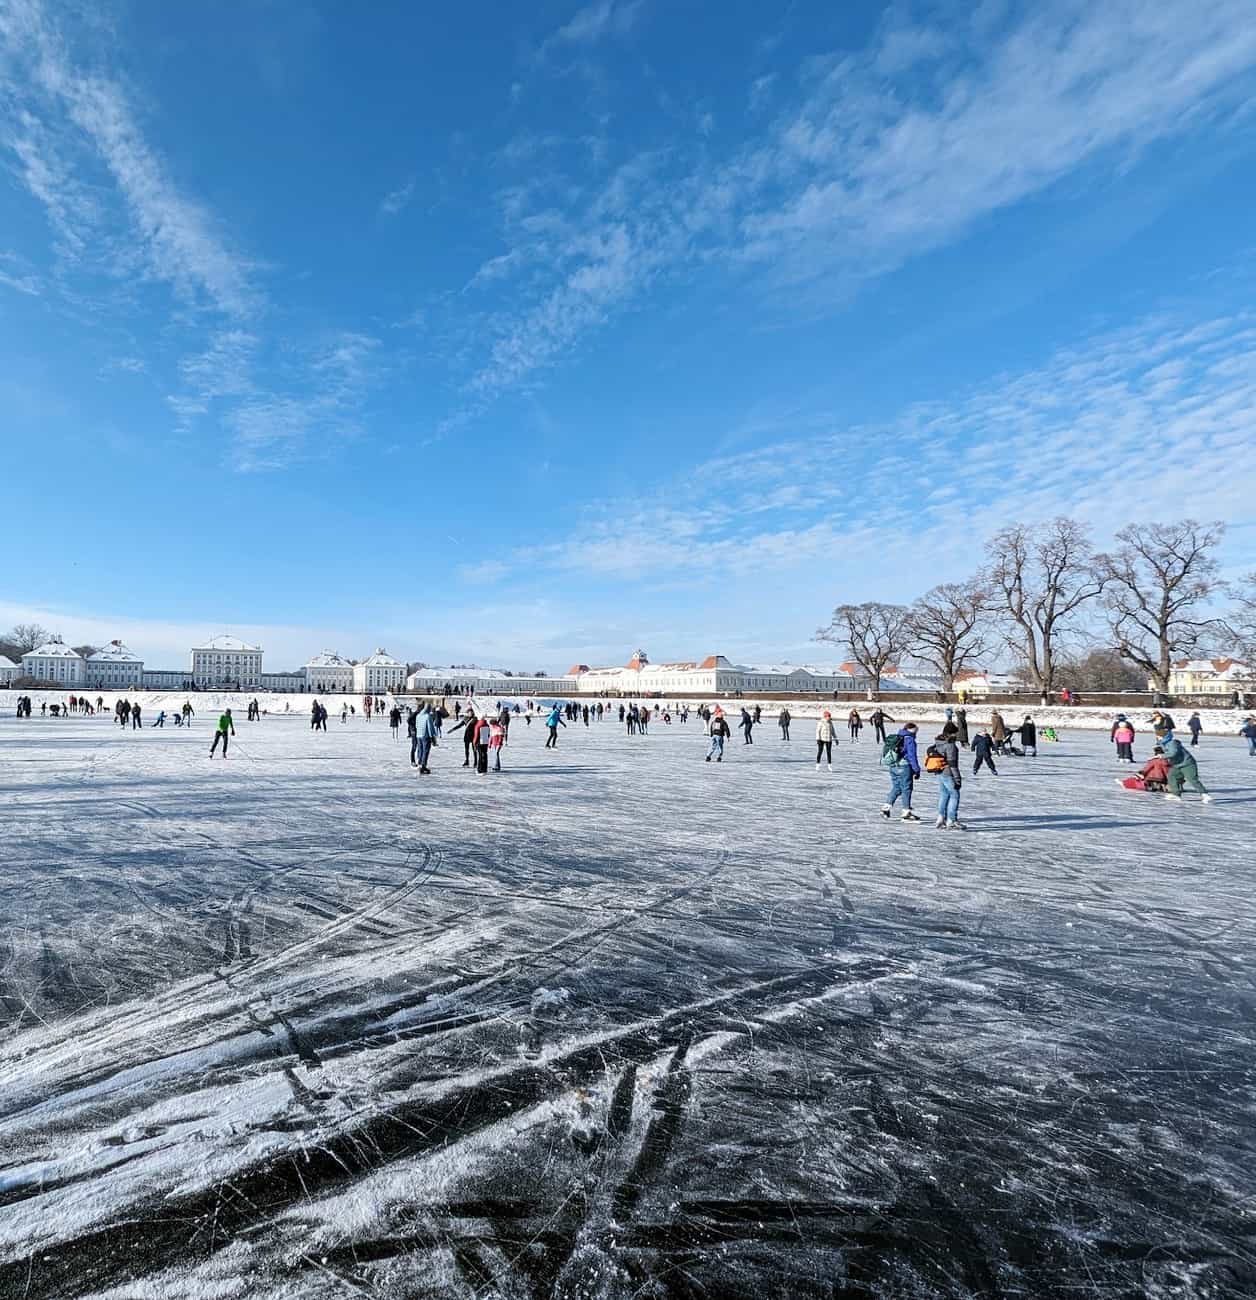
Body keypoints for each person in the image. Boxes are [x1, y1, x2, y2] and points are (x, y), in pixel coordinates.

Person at [880, 722, 922, 822]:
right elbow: (912, 756)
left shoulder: (898, 736)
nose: (916, 734)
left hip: (893, 766)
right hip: (904, 767)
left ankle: (886, 808)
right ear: (912, 731)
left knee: (897, 787)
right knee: (907, 788)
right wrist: (916, 769)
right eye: (916, 732)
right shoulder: (909, 739)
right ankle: (906, 812)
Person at [1160, 731, 1211, 802]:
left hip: (1187, 764)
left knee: (1192, 779)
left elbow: (1173, 753)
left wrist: (1162, 756)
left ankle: (1204, 794)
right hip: (1177, 764)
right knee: (1172, 776)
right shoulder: (1164, 744)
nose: (1158, 737)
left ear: (1164, 737)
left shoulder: (1172, 743)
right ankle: (1176, 794)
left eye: (1159, 735)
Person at [930, 731, 964, 830]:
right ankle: (951, 820)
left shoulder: (938, 744)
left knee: (944, 794)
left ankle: (941, 818)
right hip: (948, 773)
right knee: (954, 795)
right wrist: (957, 779)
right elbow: (953, 764)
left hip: (939, 772)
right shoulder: (950, 746)